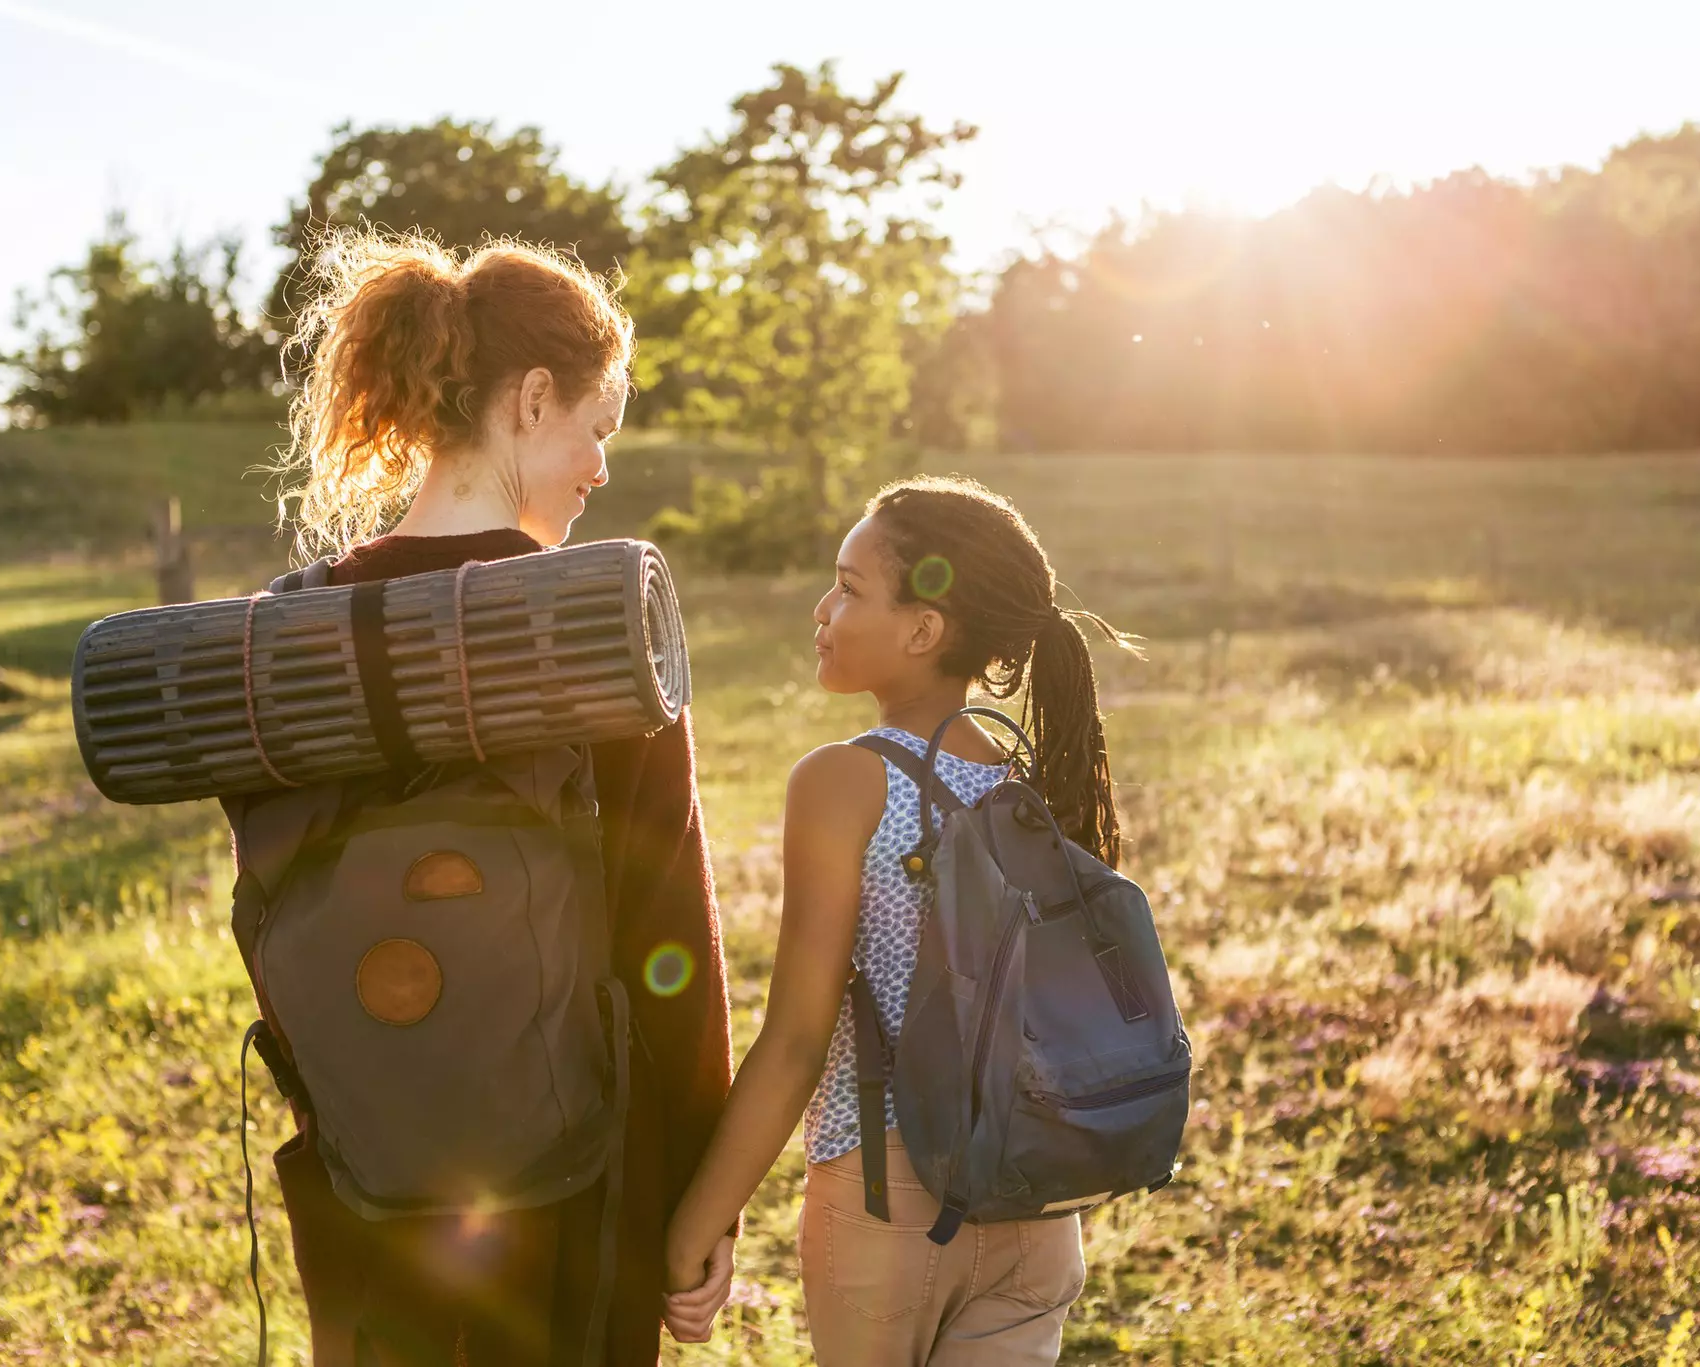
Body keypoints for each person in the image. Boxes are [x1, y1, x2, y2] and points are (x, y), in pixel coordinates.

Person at [247, 229, 737, 1365]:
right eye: (596, 428)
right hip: (580, 1185)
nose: (601, 467)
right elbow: (668, 942)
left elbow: (275, 907)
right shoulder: (595, 624)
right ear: (529, 399)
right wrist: (701, 1194)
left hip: (364, 1162)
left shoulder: (293, 625)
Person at [661, 476, 1135, 1364]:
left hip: (891, 1205)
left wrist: (698, 1220)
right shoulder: (1034, 788)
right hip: (1040, 1210)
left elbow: (799, 1039)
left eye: (848, 588)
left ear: (924, 631)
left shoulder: (846, 781)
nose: (821, 608)